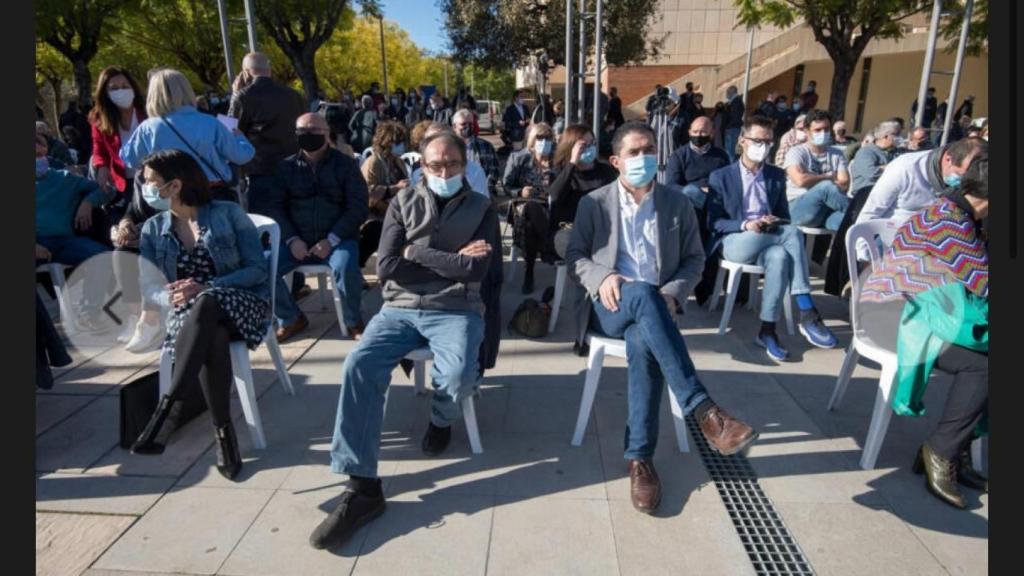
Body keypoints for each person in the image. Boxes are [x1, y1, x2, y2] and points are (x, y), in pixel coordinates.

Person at [308, 131, 499, 550]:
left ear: (464, 165)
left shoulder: (482, 207)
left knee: (454, 378)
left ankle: (440, 418)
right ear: (422, 167)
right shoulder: (402, 201)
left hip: (455, 309)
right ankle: (361, 485)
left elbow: (476, 274)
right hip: (400, 308)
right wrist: (450, 259)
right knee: (358, 365)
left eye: (451, 164)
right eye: (434, 165)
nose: (443, 171)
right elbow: (389, 264)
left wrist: (419, 254)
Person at [566, 121, 759, 514]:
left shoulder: (676, 202)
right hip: (610, 306)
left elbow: (694, 259)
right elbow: (575, 256)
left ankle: (640, 460)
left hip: (657, 307)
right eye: (634, 152)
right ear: (616, 160)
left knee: (643, 337)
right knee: (638, 293)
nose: (643, 158)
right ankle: (705, 410)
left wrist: (672, 294)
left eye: (649, 150)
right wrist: (601, 276)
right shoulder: (595, 203)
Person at [857, 154, 988, 508]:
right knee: (981, 364)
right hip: (892, 314)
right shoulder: (951, 224)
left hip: (926, 308)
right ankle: (942, 451)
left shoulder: (960, 212)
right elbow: (984, 284)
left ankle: (951, 448)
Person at [130, 149, 269, 481]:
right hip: (187, 316)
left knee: (206, 302)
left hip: (241, 304)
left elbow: (256, 269)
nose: (145, 188)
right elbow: (148, 287)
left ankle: (169, 407)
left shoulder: (227, 214)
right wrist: (169, 294)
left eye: (150, 182)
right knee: (212, 334)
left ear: (174, 186)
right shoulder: (152, 229)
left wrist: (207, 285)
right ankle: (224, 435)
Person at [707, 116, 839, 360]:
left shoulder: (776, 176)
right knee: (792, 234)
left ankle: (767, 330)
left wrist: (772, 220)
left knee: (779, 256)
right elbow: (714, 222)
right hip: (736, 240)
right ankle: (807, 309)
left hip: (771, 237)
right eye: (757, 140)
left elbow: (785, 217)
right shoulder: (722, 176)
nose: (763, 146)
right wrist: (747, 224)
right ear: (742, 141)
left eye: (768, 141)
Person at [268, 113, 370, 341]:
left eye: (314, 130)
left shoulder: (346, 165)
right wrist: (292, 239)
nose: (308, 135)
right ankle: (291, 318)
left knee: (345, 267)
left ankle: (353, 321)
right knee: (262, 266)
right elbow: (275, 208)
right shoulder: (285, 168)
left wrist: (332, 239)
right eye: (302, 131)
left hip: (338, 239)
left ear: (326, 134)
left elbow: (358, 207)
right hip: (298, 241)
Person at [121, 69, 255, 203]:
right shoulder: (209, 122)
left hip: (172, 199)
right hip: (212, 192)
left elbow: (130, 159)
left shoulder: (148, 128)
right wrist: (240, 138)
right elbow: (242, 156)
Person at [36, 133, 114, 331]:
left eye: (41, 154)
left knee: (101, 255)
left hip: (63, 241)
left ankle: (89, 314)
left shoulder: (64, 178)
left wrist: (88, 202)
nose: (38, 159)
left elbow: (106, 190)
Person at [228, 52, 306, 216]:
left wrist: (235, 96)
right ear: (269, 71)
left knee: (265, 225)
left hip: (261, 169)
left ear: (246, 72)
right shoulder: (293, 95)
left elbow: (228, 131)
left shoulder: (244, 96)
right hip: (294, 167)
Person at [857, 136, 986, 226]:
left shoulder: (975, 175)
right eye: (959, 175)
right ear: (948, 159)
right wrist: (864, 256)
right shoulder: (904, 169)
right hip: (891, 238)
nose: (961, 182)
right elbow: (870, 213)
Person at [547, 123, 618, 261]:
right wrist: (573, 162)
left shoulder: (605, 170)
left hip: (601, 229)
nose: (590, 148)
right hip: (567, 230)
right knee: (580, 250)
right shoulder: (562, 172)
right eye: (584, 145)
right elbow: (554, 196)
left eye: (592, 143)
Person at [88, 65, 148, 226]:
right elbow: (99, 147)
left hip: (151, 179)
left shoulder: (148, 111)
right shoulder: (99, 119)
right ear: (105, 94)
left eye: (124, 86)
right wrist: (102, 166)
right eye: (114, 88)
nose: (120, 91)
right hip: (124, 181)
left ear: (133, 88)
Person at [503, 122, 558, 293]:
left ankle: (529, 273)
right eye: (540, 138)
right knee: (531, 210)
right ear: (532, 141)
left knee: (530, 227)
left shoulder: (557, 159)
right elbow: (506, 185)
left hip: (551, 209)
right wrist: (520, 191)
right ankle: (548, 248)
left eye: (548, 138)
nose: (544, 141)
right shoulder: (519, 157)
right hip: (523, 206)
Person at [783, 109, 850, 231]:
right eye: (818, 130)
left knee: (853, 224)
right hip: (798, 207)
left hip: (827, 211)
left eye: (826, 129)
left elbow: (844, 184)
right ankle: (860, 212)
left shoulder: (837, 154)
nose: (823, 133)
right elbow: (800, 180)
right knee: (826, 187)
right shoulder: (796, 152)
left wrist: (810, 177)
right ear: (807, 131)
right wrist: (829, 176)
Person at [360, 121, 411, 270]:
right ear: (387, 142)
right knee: (376, 230)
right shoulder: (373, 163)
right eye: (398, 142)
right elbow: (370, 197)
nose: (401, 145)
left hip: (397, 212)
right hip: (374, 215)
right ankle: (357, 265)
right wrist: (394, 190)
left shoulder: (398, 162)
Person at [665, 116, 731, 214]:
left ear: (711, 133)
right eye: (695, 132)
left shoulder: (721, 156)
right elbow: (671, 185)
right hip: (689, 202)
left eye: (703, 132)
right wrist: (696, 190)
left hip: (715, 200)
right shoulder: (679, 155)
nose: (698, 135)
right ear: (689, 132)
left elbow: (728, 182)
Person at [410, 123, 490, 197]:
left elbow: (482, 204)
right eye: (435, 166)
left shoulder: (475, 172)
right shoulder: (416, 175)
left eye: (452, 165)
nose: (444, 175)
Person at [452, 109, 499, 193]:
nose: (468, 127)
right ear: (454, 126)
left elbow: (494, 172)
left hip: (482, 193)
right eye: (463, 124)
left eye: (470, 124)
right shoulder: (448, 148)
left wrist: (484, 188)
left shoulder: (486, 146)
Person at [850, 121, 900, 193]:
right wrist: (892, 167)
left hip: (889, 192)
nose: (899, 137)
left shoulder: (896, 152)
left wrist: (884, 167)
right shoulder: (865, 152)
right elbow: (872, 174)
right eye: (897, 134)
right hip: (867, 193)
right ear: (886, 136)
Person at [722, 85, 745, 163]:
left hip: (732, 128)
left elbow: (733, 116)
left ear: (732, 92)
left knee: (730, 151)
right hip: (732, 128)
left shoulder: (736, 102)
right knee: (729, 150)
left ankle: (731, 167)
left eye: (728, 92)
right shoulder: (733, 102)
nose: (726, 94)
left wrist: (728, 125)